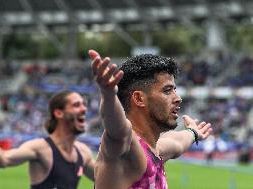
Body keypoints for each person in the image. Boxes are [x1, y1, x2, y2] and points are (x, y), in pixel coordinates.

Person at [88, 50, 213, 189]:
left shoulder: (155, 150)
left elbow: (178, 142)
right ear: (139, 98)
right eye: (167, 91)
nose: (178, 98)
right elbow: (116, 127)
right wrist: (109, 95)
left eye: (174, 90)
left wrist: (193, 132)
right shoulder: (126, 149)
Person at [0, 91, 95, 189]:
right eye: (76, 105)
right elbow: (3, 160)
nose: (84, 109)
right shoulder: (40, 148)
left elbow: (105, 180)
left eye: (84, 104)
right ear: (58, 113)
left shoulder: (83, 152)